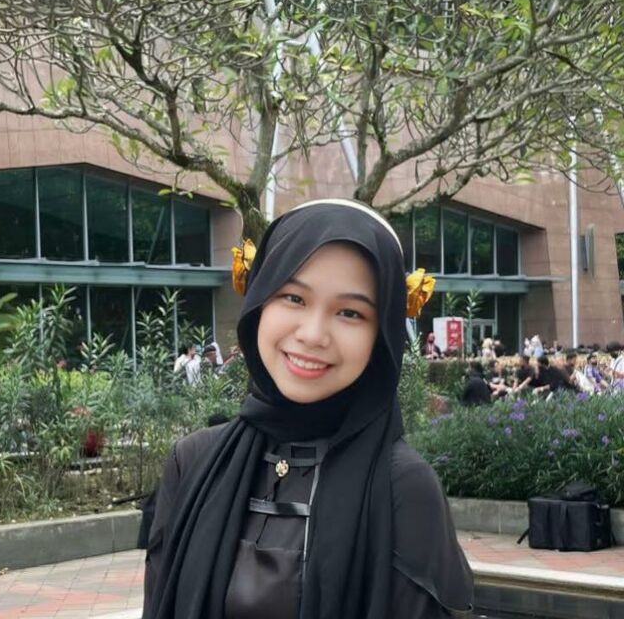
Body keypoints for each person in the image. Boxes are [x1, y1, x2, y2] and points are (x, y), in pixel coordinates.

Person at [142, 200, 473, 619]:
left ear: (382, 335)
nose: (313, 334)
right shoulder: (193, 462)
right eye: (294, 297)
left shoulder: (402, 488)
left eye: (350, 312)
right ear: (260, 300)